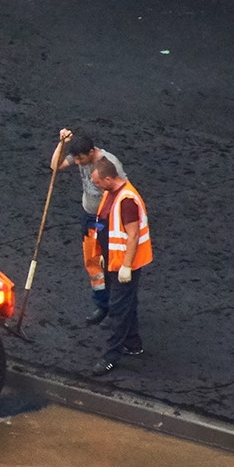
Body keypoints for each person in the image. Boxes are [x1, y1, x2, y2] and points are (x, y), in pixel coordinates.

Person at [52, 127, 126, 324]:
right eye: (75, 159)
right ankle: (102, 305)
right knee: (92, 261)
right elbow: (55, 166)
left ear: (91, 152)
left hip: (107, 220)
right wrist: (62, 144)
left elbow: (122, 193)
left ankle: (116, 309)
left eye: (80, 159)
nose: (77, 163)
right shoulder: (80, 155)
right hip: (89, 217)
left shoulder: (110, 164)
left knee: (111, 264)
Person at [89, 158, 152, 373]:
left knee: (118, 310)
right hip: (113, 261)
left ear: (108, 179)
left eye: (97, 182)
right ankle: (132, 343)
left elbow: (133, 235)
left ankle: (111, 355)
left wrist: (126, 266)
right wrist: (104, 254)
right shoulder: (111, 193)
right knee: (127, 304)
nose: (96, 185)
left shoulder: (127, 201)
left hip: (124, 266)